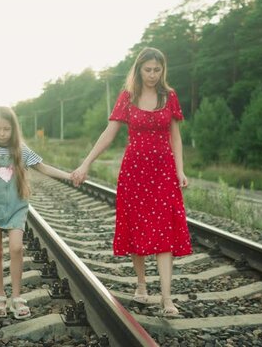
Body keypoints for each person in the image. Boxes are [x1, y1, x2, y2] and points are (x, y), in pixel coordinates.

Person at [71, 47, 192, 317]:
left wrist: (180, 170)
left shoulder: (168, 96)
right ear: (138, 70)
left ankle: (167, 299)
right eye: (147, 70)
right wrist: (86, 163)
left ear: (163, 70)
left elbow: (176, 137)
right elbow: (109, 133)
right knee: (136, 227)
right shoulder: (128, 97)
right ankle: (141, 284)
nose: (152, 75)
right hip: (134, 172)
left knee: (164, 231)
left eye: (157, 70)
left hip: (163, 172)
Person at [0, 106, 71, 319]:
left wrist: (69, 176)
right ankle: (0, 297)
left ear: (14, 129)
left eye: (6, 129)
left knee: (16, 248)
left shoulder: (20, 150)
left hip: (16, 208)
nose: (2, 134)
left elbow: (44, 168)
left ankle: (16, 297)